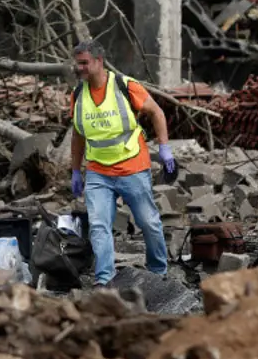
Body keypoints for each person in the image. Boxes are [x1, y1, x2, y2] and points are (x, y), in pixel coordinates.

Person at [69, 39, 177, 286]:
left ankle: (158, 273)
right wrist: (75, 170)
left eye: (84, 63)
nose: (79, 68)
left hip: (132, 167)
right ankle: (105, 280)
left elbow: (156, 112)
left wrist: (165, 149)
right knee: (98, 226)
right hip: (98, 171)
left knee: (148, 222)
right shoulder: (78, 95)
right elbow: (77, 134)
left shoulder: (124, 86)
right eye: (77, 63)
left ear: (99, 61)